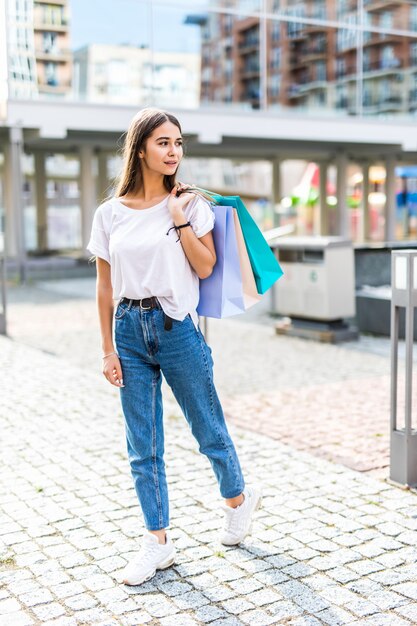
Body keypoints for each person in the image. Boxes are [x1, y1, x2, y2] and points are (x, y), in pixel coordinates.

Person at [87, 107, 262, 586]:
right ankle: (157, 543)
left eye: (179, 143)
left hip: (177, 328)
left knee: (208, 428)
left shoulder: (191, 203)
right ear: (140, 147)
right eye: (163, 142)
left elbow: (206, 267)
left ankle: (238, 500)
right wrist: (107, 349)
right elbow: (104, 286)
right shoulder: (110, 213)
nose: (173, 151)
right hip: (128, 330)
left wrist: (178, 218)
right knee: (142, 446)